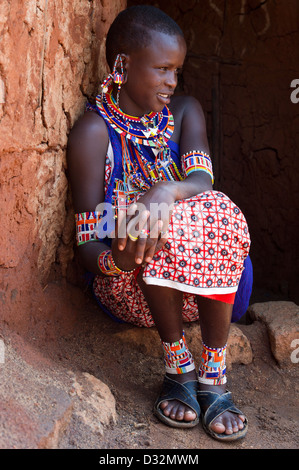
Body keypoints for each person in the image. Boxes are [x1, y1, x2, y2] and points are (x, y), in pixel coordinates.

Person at [67, 5, 252, 441]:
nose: (172, 82)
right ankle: (177, 367)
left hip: (214, 288)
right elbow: (86, 246)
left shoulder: (185, 112)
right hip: (132, 290)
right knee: (146, 219)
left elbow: (202, 181)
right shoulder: (93, 134)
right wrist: (118, 259)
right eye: (163, 69)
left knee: (213, 207)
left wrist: (167, 190)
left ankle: (213, 371)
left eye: (177, 71)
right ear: (124, 65)